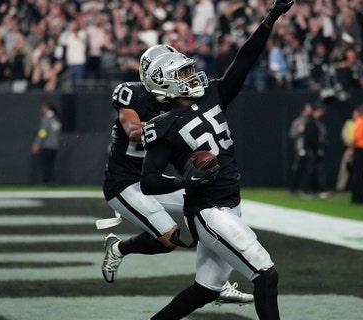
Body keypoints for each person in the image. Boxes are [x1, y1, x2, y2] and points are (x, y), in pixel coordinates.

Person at [139, 1, 293, 319]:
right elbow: (148, 180)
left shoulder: (212, 94)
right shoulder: (163, 125)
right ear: (163, 81)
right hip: (209, 210)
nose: (191, 74)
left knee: (205, 290)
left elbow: (244, 60)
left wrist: (270, 18)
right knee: (266, 274)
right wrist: (182, 181)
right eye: (181, 72)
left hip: (230, 203)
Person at [97, 44, 253, 305]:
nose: (184, 78)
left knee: (209, 207)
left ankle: (215, 283)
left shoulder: (178, 101)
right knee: (168, 239)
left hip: (153, 181)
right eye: (177, 74)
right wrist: (167, 126)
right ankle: (118, 248)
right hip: (125, 184)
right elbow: (133, 130)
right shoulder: (131, 94)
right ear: (156, 76)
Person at [303, 103, 330, 199]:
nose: (322, 113)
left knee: (320, 170)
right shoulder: (310, 123)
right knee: (310, 170)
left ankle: (322, 190)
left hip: (318, 150)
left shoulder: (319, 122)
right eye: (320, 111)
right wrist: (317, 147)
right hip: (312, 151)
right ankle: (307, 191)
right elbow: (310, 138)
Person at [31, 103, 61, 185]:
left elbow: (43, 132)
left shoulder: (46, 119)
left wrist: (37, 143)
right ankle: (51, 181)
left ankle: (47, 181)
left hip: (47, 146)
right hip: (54, 146)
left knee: (45, 164)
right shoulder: (56, 119)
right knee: (51, 165)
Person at [288, 103, 313, 196]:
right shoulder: (298, 122)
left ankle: (306, 189)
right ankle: (294, 188)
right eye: (307, 110)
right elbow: (291, 134)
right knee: (298, 169)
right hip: (301, 149)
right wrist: (299, 131)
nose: (309, 112)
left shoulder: (311, 121)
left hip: (310, 148)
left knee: (308, 170)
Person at [335, 108, 358, 192]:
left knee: (359, 169)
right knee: (344, 168)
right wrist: (351, 144)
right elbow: (344, 135)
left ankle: (356, 187)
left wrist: (355, 145)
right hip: (349, 149)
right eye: (354, 113)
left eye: (357, 113)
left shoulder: (362, 123)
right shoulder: (349, 123)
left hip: (359, 149)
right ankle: (340, 187)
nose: (355, 115)